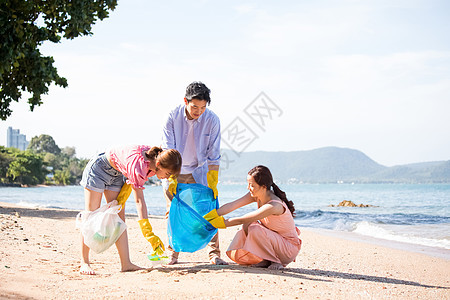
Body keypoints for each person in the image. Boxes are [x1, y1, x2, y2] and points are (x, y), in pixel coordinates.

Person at [79, 145, 182, 275]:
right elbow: (139, 201)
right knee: (91, 216)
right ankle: (84, 262)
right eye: (167, 173)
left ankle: (126, 263)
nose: (167, 177)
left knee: (118, 219)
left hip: (117, 174)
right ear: (159, 164)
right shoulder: (138, 167)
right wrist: (148, 233)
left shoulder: (155, 159)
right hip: (99, 168)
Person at [162, 81, 227, 265]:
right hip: (175, 167)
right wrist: (173, 177)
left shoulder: (212, 120)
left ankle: (214, 253)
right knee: (173, 210)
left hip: (201, 169)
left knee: (209, 209)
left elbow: (214, 154)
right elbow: (168, 149)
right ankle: (172, 254)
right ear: (185, 101)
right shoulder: (172, 117)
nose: (199, 111)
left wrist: (212, 181)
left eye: (203, 107)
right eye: (195, 106)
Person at [204, 165, 301, 270]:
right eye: (248, 184)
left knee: (253, 226)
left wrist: (220, 223)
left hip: (288, 248)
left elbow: (243, 219)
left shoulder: (274, 205)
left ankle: (276, 261)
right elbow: (232, 205)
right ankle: (267, 259)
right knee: (249, 225)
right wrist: (210, 216)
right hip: (276, 242)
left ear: (263, 186)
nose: (248, 188)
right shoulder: (257, 195)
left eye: (252, 185)